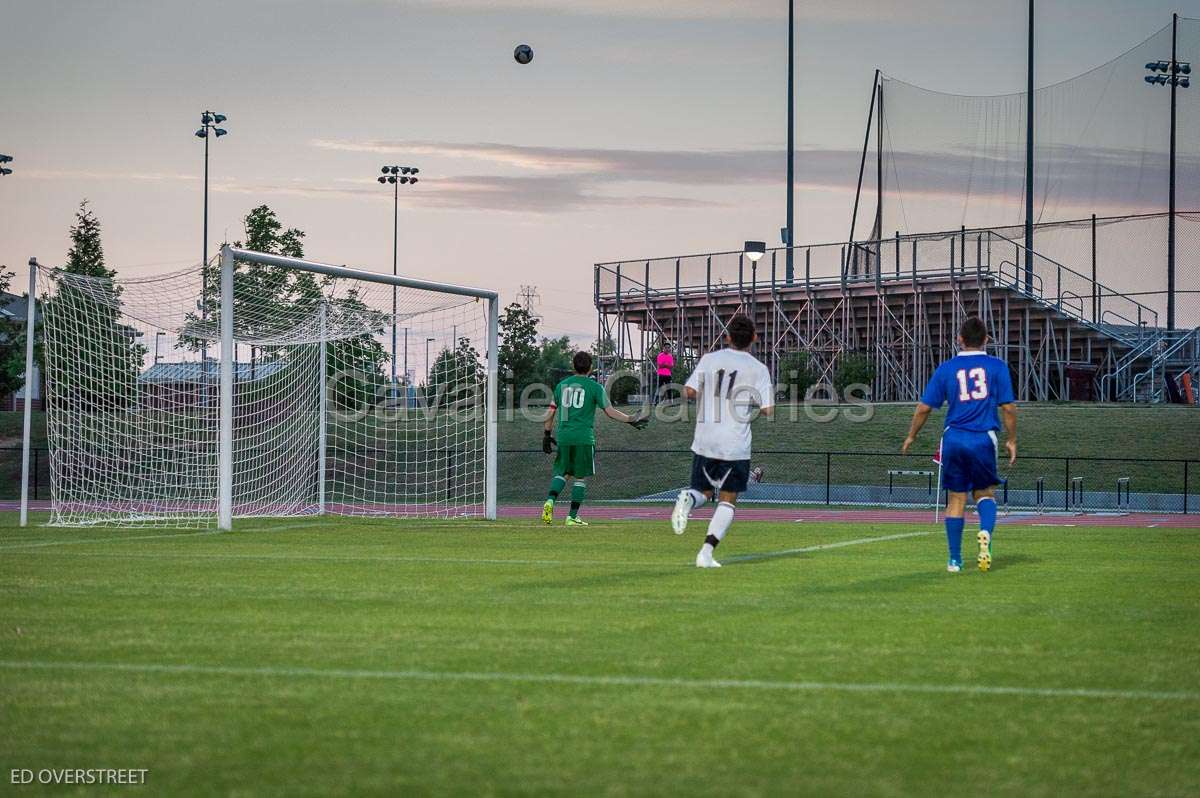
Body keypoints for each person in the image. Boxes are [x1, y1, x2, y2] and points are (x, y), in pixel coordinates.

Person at [902, 316, 1018, 573]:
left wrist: (912, 436)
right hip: (983, 438)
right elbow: (1008, 408)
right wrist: (1012, 440)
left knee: (956, 499)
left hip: (953, 438)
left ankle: (954, 560)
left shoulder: (947, 368)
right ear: (986, 340)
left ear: (960, 340)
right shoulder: (997, 367)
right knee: (984, 494)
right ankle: (985, 533)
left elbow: (923, 409)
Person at [670, 315, 774, 567]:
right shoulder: (758, 369)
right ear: (754, 338)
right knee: (728, 500)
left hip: (705, 438)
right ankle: (705, 553)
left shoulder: (709, 359)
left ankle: (687, 499)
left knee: (703, 492)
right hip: (734, 443)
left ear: (727, 337)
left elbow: (690, 391)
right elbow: (768, 408)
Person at [543, 351, 648, 526]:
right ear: (590, 367)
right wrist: (631, 419)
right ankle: (572, 517)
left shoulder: (561, 386)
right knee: (580, 477)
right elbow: (610, 412)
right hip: (583, 436)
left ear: (573, 366)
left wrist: (546, 434)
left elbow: (550, 412)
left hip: (564, 436)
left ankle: (549, 502)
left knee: (563, 472)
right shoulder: (595, 387)